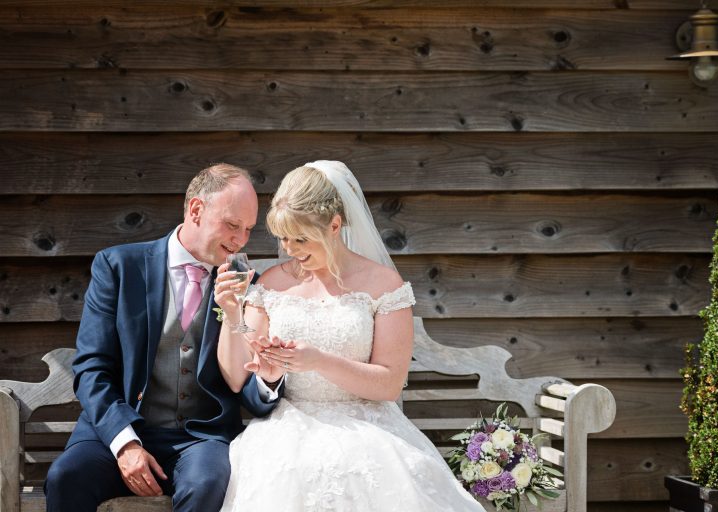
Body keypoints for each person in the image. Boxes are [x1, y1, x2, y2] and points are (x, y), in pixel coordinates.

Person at [214, 161, 484, 511]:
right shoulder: (271, 285)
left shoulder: (384, 285)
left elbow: (389, 384)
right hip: (289, 431)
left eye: (301, 238)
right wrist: (234, 316)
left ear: (335, 225)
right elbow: (239, 377)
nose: (290, 249)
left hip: (369, 428)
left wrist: (319, 361)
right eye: (283, 237)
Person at [45, 164, 284, 512]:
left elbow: (248, 387)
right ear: (196, 210)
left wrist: (267, 379)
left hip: (201, 438)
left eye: (248, 229)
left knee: (208, 484)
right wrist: (125, 443)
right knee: (66, 476)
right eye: (232, 225)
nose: (240, 240)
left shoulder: (248, 285)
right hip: (118, 430)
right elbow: (91, 368)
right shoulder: (118, 267)